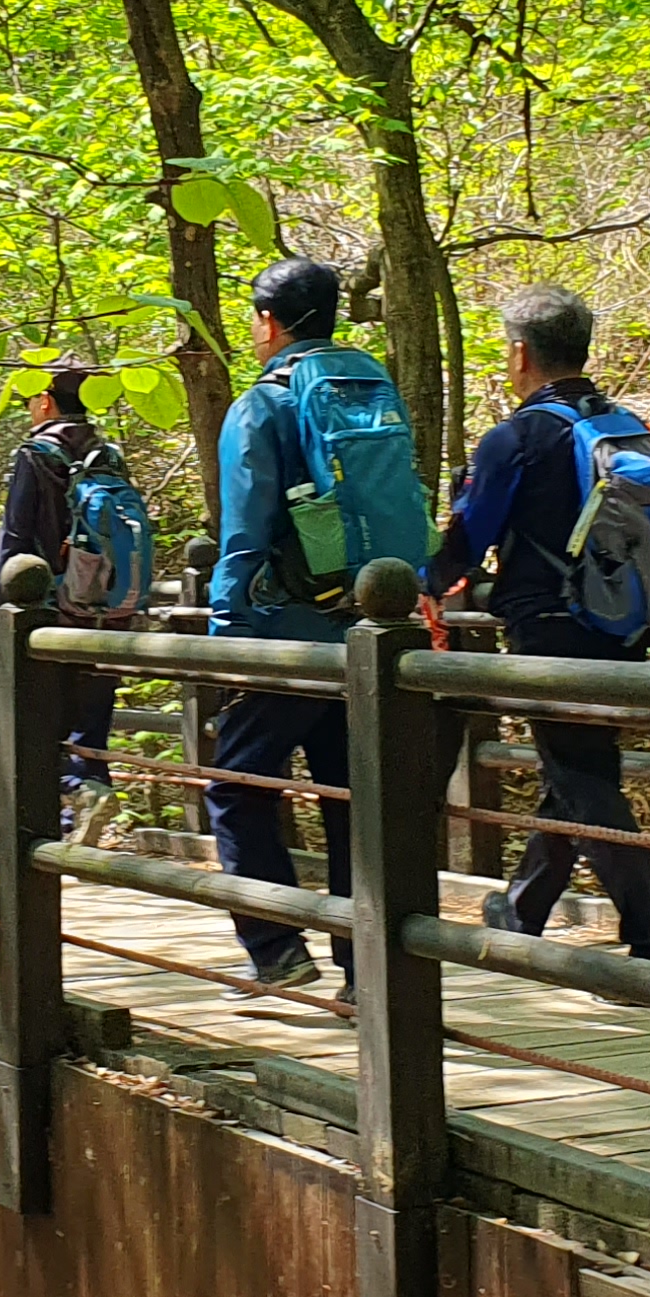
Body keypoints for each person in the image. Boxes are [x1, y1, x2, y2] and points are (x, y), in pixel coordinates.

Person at [421, 287, 650, 962]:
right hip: (622, 623)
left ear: (520, 353)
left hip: (549, 629)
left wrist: (420, 585)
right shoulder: (627, 426)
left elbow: (468, 541)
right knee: (580, 768)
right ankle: (521, 909)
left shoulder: (516, 438)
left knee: (583, 780)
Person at [203, 259, 421, 992]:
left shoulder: (262, 405)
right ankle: (367, 970)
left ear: (268, 320)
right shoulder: (371, 385)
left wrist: (228, 631)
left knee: (237, 786)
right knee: (351, 799)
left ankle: (276, 947)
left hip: (286, 628)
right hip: (365, 626)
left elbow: (244, 530)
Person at [0, 362, 144, 830]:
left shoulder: (36, 454)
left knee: (43, 722)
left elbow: (15, 536)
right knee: (92, 716)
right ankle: (92, 789)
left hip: (48, 611)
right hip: (108, 610)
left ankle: (69, 806)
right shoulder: (109, 454)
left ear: (45, 402)